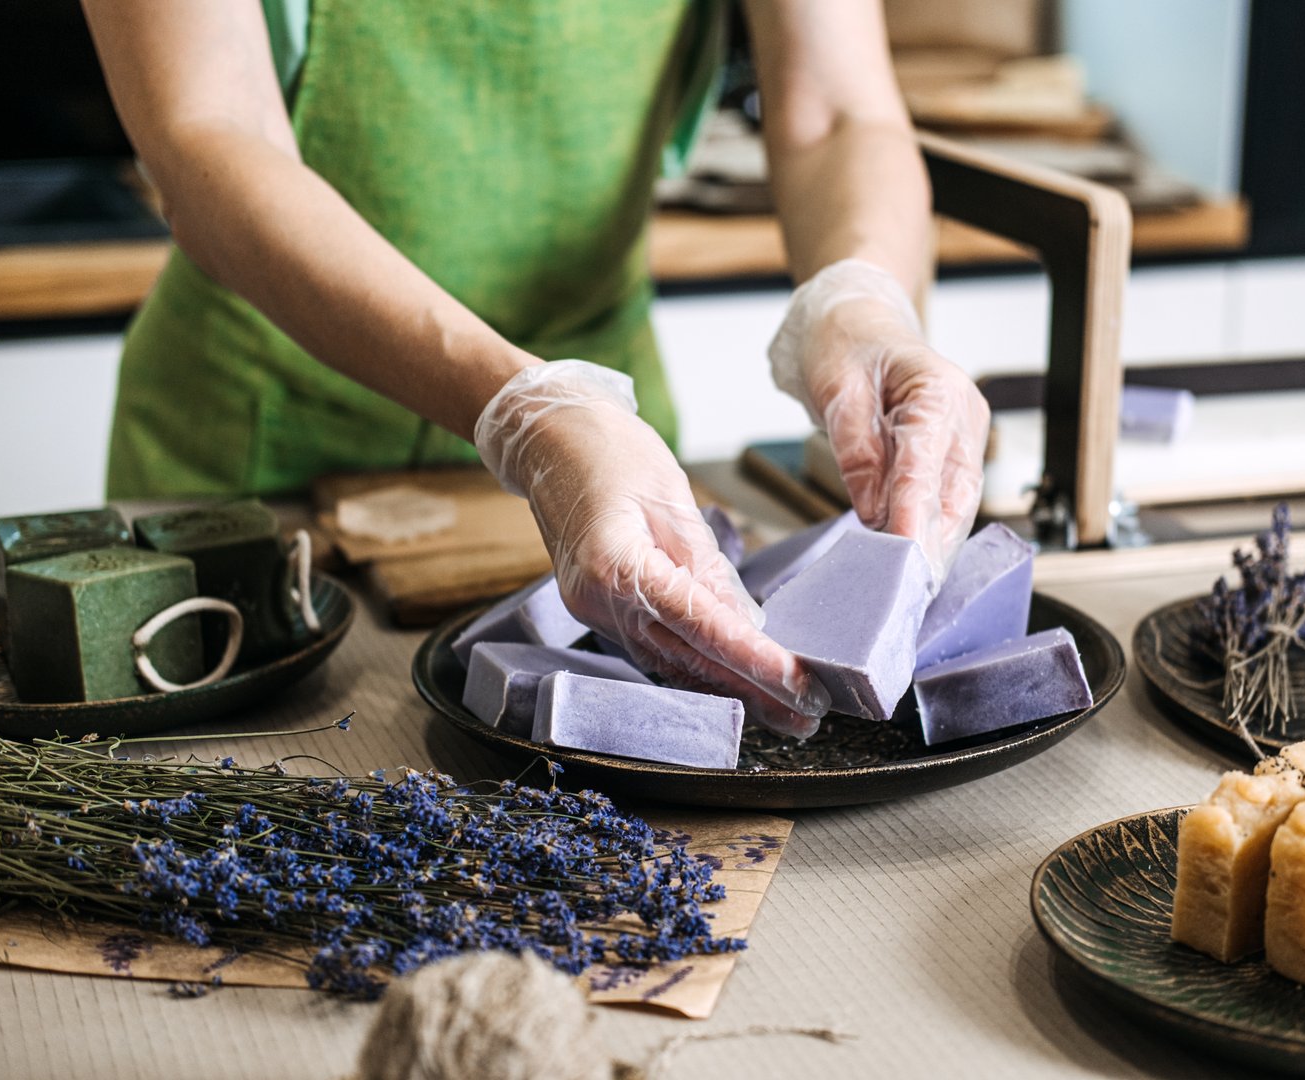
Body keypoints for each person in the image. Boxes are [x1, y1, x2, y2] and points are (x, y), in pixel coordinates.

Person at [82, 0, 990, 735]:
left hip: (621, 473)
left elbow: (838, 108)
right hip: (257, 469)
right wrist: (529, 411)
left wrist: (862, 304)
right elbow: (206, 129)